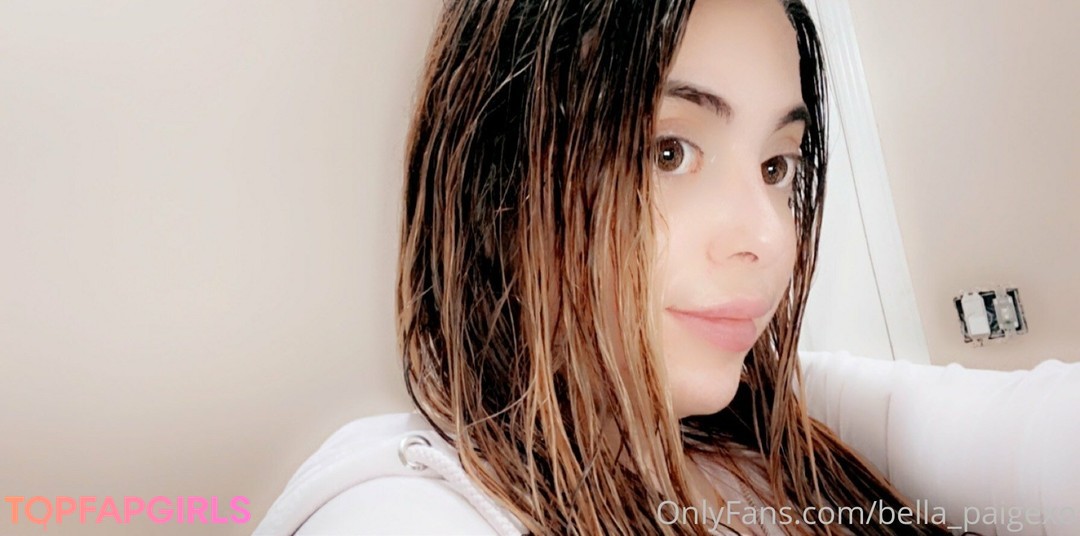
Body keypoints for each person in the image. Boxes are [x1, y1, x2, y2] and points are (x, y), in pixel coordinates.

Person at [255, 1, 1079, 534]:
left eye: (777, 166)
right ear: (498, 181)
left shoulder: (795, 417)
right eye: (669, 151)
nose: (768, 238)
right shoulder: (406, 494)